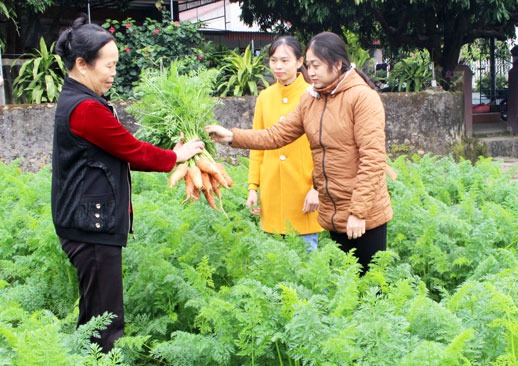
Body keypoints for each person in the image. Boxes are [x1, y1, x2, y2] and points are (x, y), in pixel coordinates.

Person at [51, 18, 204, 352]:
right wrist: (176, 156)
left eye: (115, 65)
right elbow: (131, 149)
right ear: (81, 64)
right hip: (90, 226)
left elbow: (122, 152)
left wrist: (172, 155)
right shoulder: (86, 108)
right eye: (109, 65)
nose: (113, 73)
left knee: (94, 316)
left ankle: (84, 358)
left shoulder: (78, 99)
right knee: (107, 321)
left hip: (85, 223)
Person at [206, 32, 393, 275]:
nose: (311, 72)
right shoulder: (311, 100)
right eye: (309, 65)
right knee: (346, 286)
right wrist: (231, 136)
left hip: (366, 213)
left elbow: (372, 159)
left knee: (372, 286)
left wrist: (358, 213)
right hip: (334, 212)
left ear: (337, 64)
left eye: (316, 65)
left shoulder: (362, 98)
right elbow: (275, 135)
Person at [247, 36, 323, 251]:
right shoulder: (265, 97)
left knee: (307, 268)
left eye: (285, 60)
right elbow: (257, 144)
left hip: (303, 192)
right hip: (271, 191)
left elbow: (324, 147)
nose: (278, 66)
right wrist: (253, 187)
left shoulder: (313, 95)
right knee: (274, 269)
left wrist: (317, 188)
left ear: (300, 62)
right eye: (273, 60)